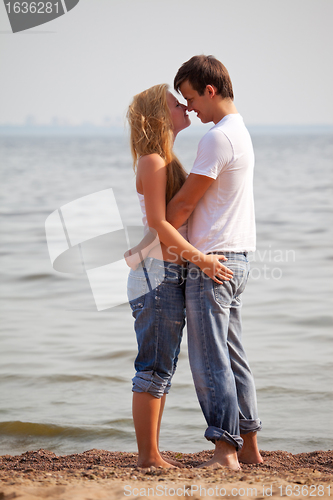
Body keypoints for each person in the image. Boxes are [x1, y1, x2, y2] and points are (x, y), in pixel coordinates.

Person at [126, 84, 233, 468]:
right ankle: (147, 456)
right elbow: (159, 222)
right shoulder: (153, 160)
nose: (185, 106)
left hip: (163, 272)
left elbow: (158, 223)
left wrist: (138, 249)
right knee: (153, 368)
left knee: (162, 369)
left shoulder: (163, 159)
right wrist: (202, 260)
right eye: (176, 103)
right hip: (159, 276)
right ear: (160, 115)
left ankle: (151, 452)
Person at [166, 55, 263, 470]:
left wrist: (154, 229)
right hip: (238, 258)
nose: (190, 108)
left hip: (211, 263)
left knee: (210, 359)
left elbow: (184, 204)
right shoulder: (240, 132)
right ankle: (251, 450)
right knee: (233, 355)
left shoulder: (218, 138)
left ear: (210, 90)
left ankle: (225, 452)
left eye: (191, 98)